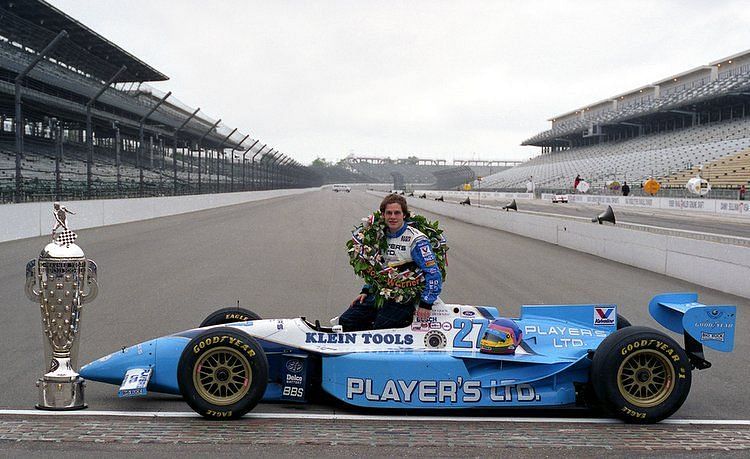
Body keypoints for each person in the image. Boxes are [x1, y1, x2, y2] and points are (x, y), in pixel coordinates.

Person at [340, 194, 442, 331]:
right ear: (383, 215)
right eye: (389, 213)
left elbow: (433, 273)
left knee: (381, 328)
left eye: (397, 213)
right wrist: (367, 290)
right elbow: (377, 268)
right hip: (382, 292)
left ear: (404, 215)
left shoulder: (417, 240)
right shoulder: (377, 234)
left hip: (404, 297)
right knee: (347, 320)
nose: (392, 217)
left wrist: (426, 303)